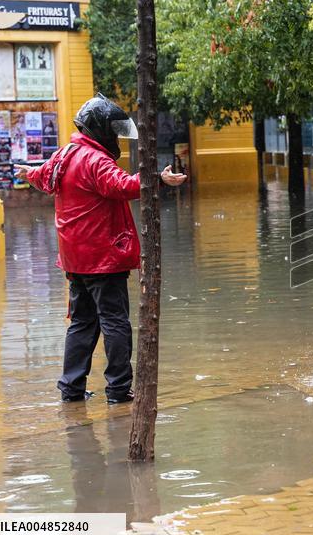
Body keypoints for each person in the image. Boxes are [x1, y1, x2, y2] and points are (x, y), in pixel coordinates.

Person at [16, 95, 187, 404]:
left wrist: (27, 172)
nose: (114, 137)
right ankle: (119, 390)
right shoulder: (95, 160)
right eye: (112, 130)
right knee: (115, 322)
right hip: (102, 258)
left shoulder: (65, 154)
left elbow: (42, 177)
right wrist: (158, 180)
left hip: (75, 260)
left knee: (82, 322)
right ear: (100, 130)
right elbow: (122, 186)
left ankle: (72, 389)